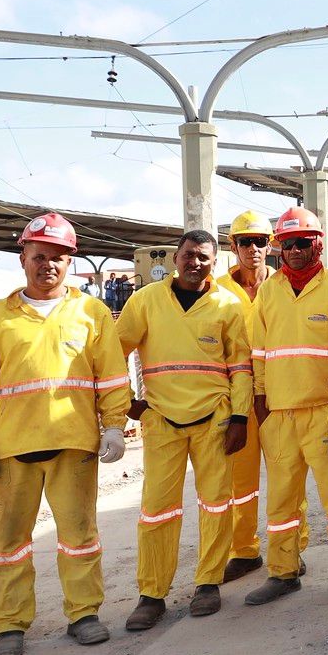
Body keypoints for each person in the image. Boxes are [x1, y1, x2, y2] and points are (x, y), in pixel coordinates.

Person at [0, 213, 131, 655]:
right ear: (23, 258)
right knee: (9, 542)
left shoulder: (91, 313)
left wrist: (114, 424)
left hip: (73, 444)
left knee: (79, 534)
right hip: (11, 447)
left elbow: (111, 376)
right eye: (39, 256)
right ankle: (11, 624)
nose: (48, 265)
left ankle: (84, 614)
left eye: (57, 257)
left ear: (70, 261)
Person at [116, 229, 253, 631]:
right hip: (161, 419)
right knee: (157, 508)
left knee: (215, 504)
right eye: (189, 255)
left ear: (215, 263)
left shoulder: (228, 305)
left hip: (215, 419)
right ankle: (151, 594)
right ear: (175, 258)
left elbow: (241, 368)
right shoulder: (145, 302)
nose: (195, 263)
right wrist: (126, 400)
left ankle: (208, 583)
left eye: (204, 258)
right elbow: (113, 352)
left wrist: (241, 418)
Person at [246, 207, 328, 606]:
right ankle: (283, 572)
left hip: (322, 410)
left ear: (318, 244)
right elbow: (259, 352)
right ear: (279, 249)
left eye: (303, 243)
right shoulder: (268, 291)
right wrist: (261, 401)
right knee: (281, 500)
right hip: (278, 413)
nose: (295, 251)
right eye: (287, 244)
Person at [215, 209, 274, 583]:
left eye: (260, 241)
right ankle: (244, 549)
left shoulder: (285, 286)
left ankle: (290, 549)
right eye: (245, 242)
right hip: (236, 397)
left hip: (277, 396)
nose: (252, 249)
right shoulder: (217, 289)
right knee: (241, 479)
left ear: (271, 247)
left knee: (287, 475)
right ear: (232, 245)